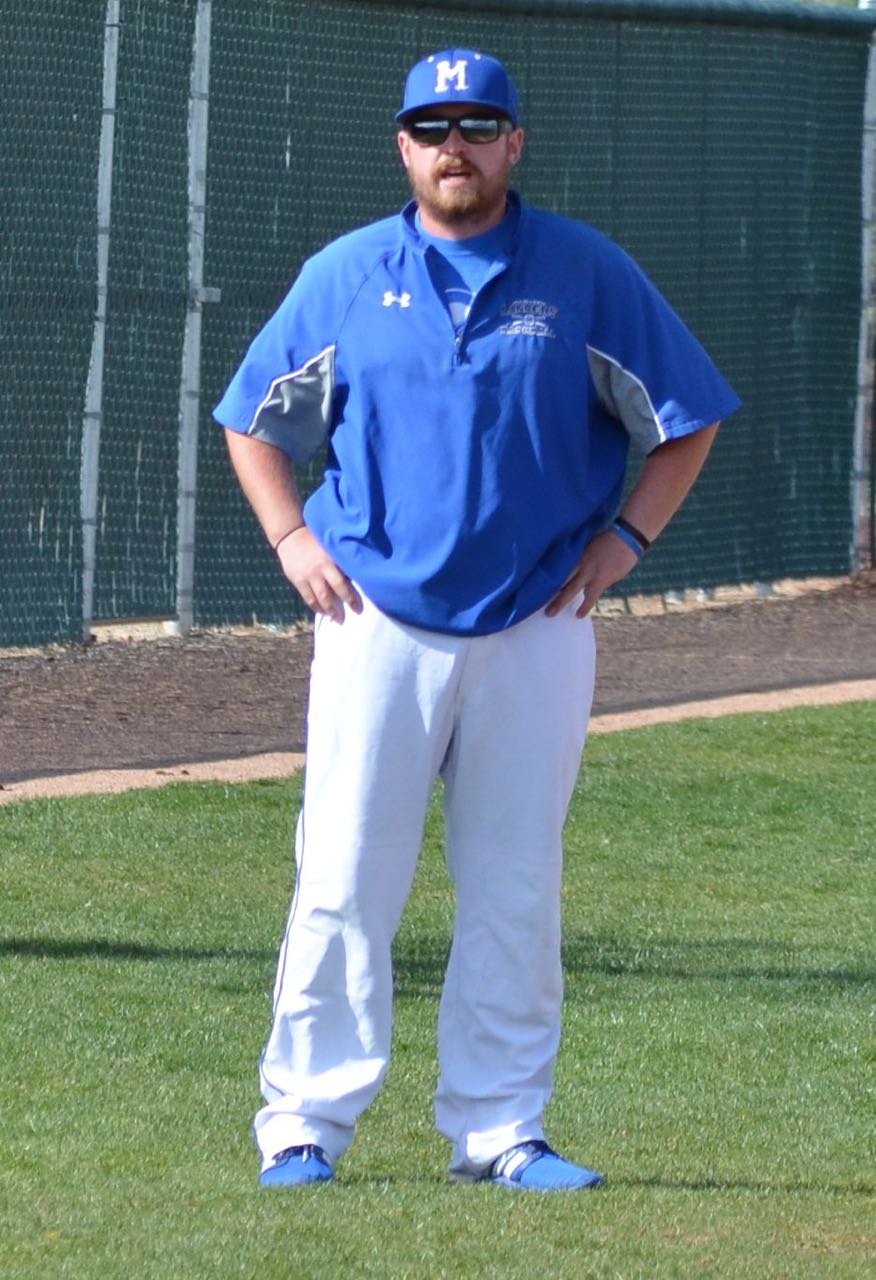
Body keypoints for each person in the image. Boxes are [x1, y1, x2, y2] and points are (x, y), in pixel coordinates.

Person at [214, 48, 741, 1192]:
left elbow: (688, 415)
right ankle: (303, 1123)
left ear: (515, 143)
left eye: (479, 126)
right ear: (403, 148)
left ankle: (501, 1127)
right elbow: (253, 417)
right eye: (433, 127)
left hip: (537, 615)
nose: (455, 146)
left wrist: (626, 538)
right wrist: (292, 537)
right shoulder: (349, 273)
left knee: (515, 881)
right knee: (343, 872)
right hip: (373, 612)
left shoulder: (582, 271)